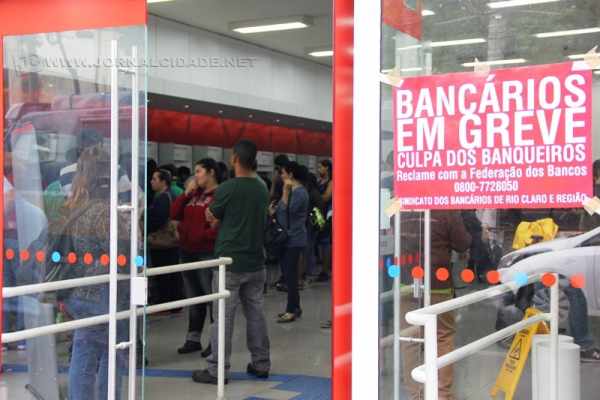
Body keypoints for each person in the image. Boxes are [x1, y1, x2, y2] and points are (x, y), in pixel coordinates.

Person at [192, 139, 271, 384]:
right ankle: (261, 363)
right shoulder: (262, 188)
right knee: (255, 314)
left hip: (229, 262)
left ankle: (217, 369)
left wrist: (215, 216)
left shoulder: (228, 188)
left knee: (223, 317)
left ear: (235, 158)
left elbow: (211, 217)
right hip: (256, 261)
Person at [62, 148, 130, 400]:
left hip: (80, 292)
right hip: (103, 294)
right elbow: (122, 256)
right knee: (111, 354)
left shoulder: (75, 205)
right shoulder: (105, 211)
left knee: (84, 353)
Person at [400, 211, 471, 400]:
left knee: (410, 339)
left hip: (407, 281)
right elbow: (462, 243)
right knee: (443, 337)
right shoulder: (446, 210)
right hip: (438, 283)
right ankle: (442, 395)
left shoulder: (401, 206)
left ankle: (417, 395)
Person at [171, 159, 222, 357]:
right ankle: (193, 338)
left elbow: (220, 223)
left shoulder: (219, 195)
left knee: (210, 297)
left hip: (206, 251)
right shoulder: (193, 194)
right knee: (194, 297)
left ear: (211, 172)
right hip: (187, 250)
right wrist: (186, 194)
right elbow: (174, 213)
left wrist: (203, 236)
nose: (196, 176)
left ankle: (215, 341)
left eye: (199, 171)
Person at [269, 161, 309, 323]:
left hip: (294, 238)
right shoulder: (294, 191)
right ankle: (295, 307)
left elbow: (286, 211)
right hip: (288, 238)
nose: (281, 176)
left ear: (290, 174)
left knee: (290, 276)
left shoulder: (300, 193)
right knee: (288, 274)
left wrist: (285, 193)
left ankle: (291, 310)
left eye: (283, 173)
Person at [148, 169, 182, 305]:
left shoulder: (163, 198)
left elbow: (158, 219)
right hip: (170, 243)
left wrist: (146, 228)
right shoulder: (169, 195)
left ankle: (166, 302)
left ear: (163, 182)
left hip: (162, 242)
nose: (151, 182)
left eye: (154, 179)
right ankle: (172, 302)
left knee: (164, 274)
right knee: (170, 274)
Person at [316, 159, 333, 282]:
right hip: (318, 214)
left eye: (320, 167)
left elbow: (327, 197)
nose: (319, 169)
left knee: (325, 241)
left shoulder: (331, 182)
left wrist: (315, 197)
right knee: (321, 241)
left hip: (327, 214)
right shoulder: (319, 181)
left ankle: (325, 270)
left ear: (327, 168)